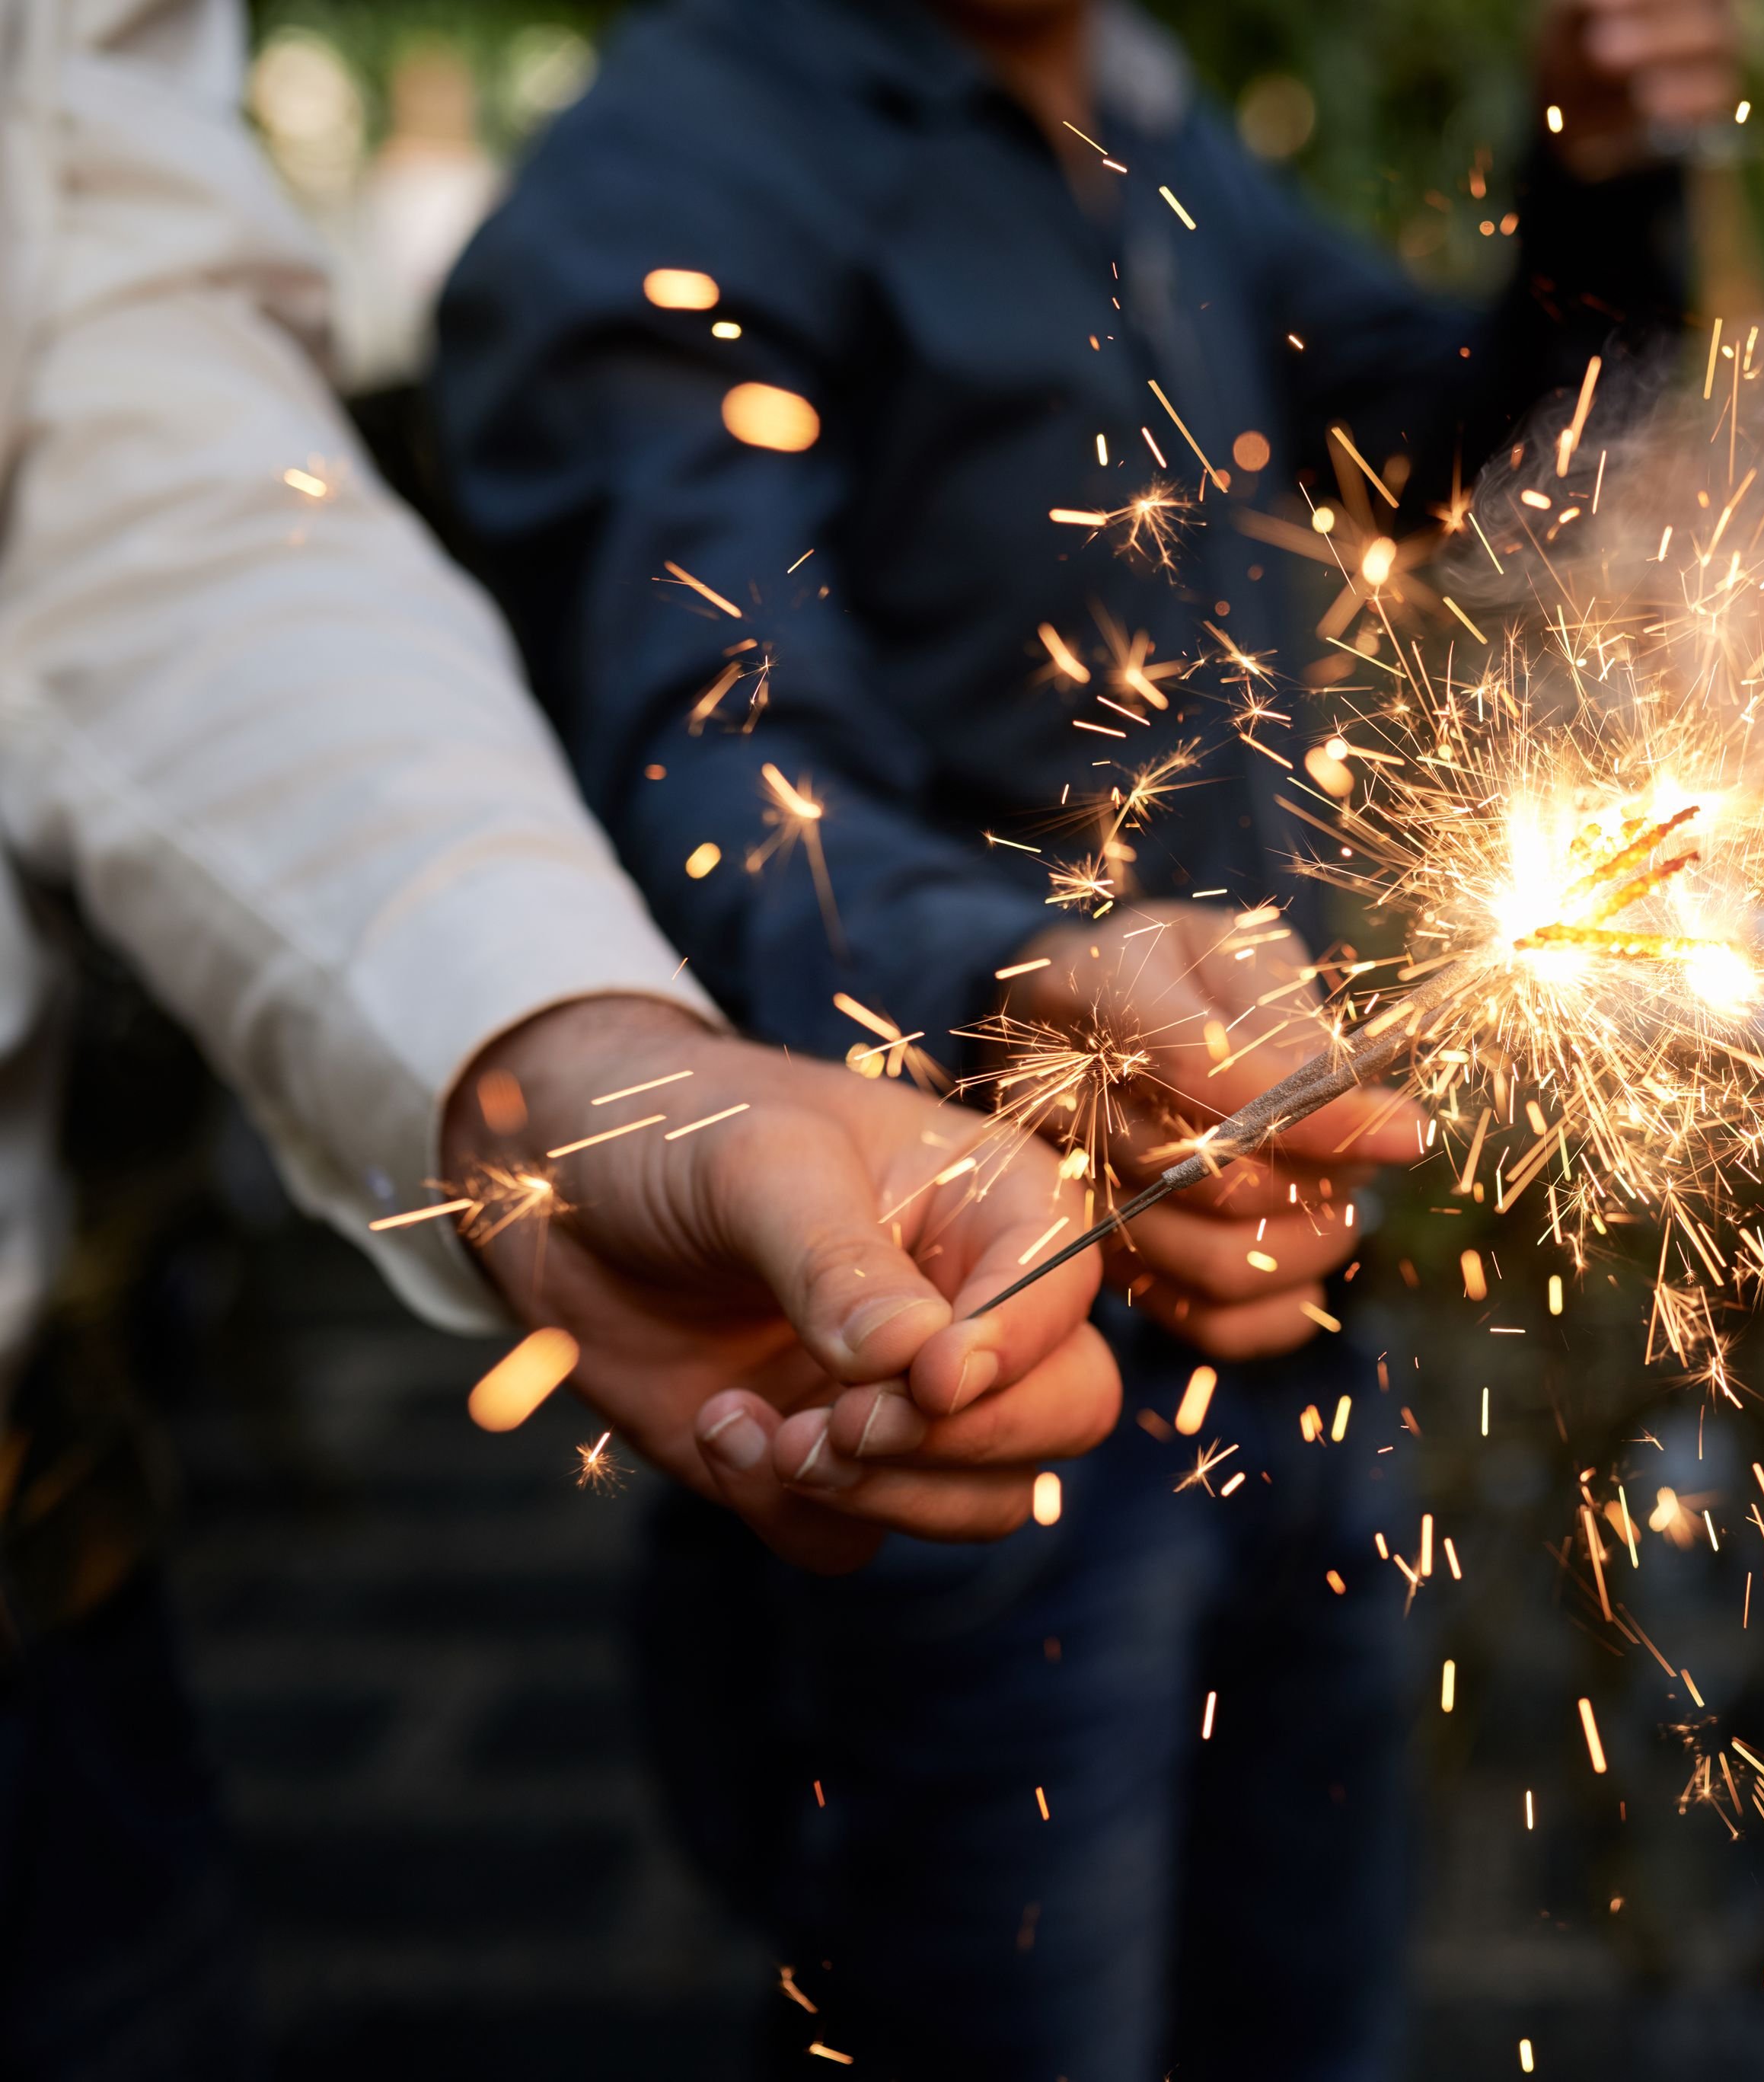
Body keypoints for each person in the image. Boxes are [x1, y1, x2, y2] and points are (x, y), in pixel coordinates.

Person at [432, 0, 1737, 2070]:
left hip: (1287, 1305)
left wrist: (1589, 183)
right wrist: (1010, 983)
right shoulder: (662, 189)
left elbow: (1417, 429)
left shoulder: (1131, 106)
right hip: (958, 1349)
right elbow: (705, 757)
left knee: (1308, 2005)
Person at [0, 4, 1120, 2077]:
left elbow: (109, 424)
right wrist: (974, 980)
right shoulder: (676, 175)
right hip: (927, 1273)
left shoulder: (1156, 139)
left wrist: (553, 1042)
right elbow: (700, 696)